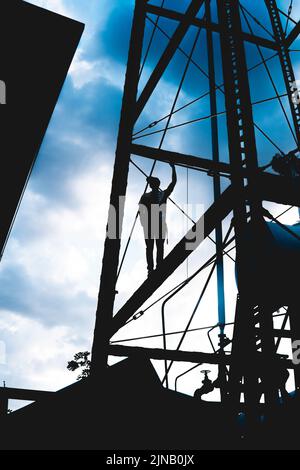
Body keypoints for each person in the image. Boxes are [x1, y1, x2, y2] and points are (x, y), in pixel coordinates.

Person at [139, 163, 177, 276]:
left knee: (152, 247)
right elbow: (141, 211)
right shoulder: (159, 195)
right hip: (154, 224)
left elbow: (141, 212)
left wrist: (173, 168)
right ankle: (155, 267)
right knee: (154, 247)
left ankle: (153, 268)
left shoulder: (149, 196)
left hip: (153, 225)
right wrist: (173, 168)